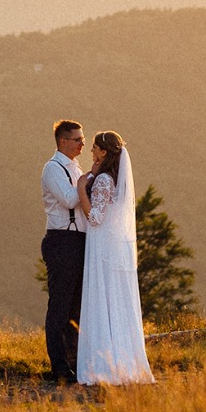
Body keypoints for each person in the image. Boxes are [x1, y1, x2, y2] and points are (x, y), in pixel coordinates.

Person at [76, 130, 154, 386]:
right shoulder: (114, 178)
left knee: (103, 298)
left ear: (104, 152)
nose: (91, 152)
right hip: (114, 244)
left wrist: (81, 190)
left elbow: (95, 218)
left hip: (102, 246)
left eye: (95, 148)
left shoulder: (102, 181)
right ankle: (122, 359)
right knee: (115, 300)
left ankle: (104, 365)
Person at [40, 119, 87, 384]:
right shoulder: (53, 168)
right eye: (77, 139)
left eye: (82, 139)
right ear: (63, 142)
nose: (82, 143)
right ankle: (58, 366)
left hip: (79, 241)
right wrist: (88, 181)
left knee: (75, 307)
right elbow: (70, 199)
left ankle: (73, 362)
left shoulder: (76, 167)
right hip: (61, 240)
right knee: (59, 305)